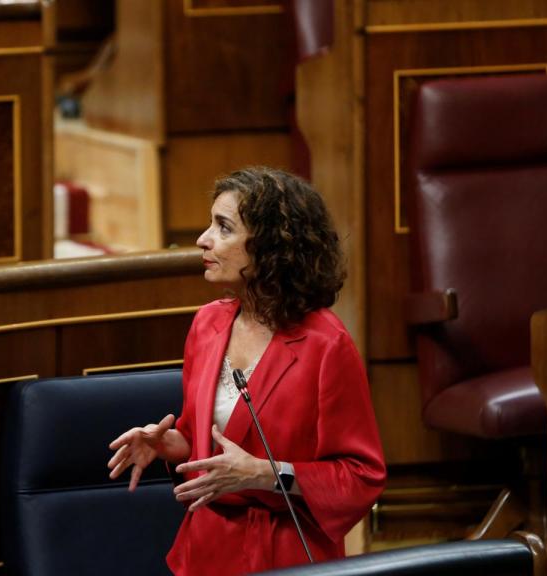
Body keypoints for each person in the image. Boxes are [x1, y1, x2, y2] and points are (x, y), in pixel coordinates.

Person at [107, 166, 387, 574]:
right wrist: (173, 444)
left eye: (223, 227)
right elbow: (216, 438)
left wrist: (265, 475)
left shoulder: (326, 345)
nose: (203, 239)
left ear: (271, 246)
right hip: (205, 549)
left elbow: (361, 477)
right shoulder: (207, 324)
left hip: (284, 553)